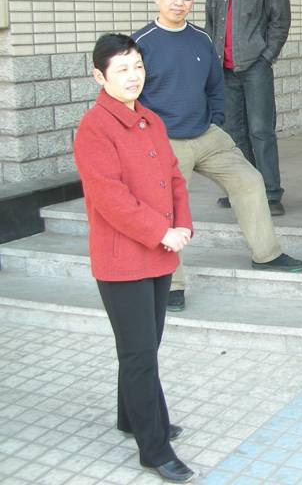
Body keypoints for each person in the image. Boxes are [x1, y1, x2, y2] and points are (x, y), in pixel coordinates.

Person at [134, 0, 302, 312]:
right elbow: (129, 96)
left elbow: (215, 85)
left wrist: (216, 119)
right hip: (165, 141)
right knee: (167, 206)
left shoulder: (201, 39)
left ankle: (266, 254)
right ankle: (172, 283)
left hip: (206, 134)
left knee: (249, 180)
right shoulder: (141, 43)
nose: (179, 1)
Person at [73, 33, 194, 482]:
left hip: (159, 253)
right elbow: (110, 198)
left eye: (138, 66)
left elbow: (174, 178)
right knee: (140, 352)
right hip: (122, 260)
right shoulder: (94, 128)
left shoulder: (150, 120)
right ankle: (154, 448)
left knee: (145, 346)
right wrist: (161, 231)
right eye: (122, 69)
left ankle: (130, 418)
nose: (133, 76)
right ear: (99, 76)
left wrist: (182, 224)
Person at [206, 0, 291, 216]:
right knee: (234, 132)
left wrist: (266, 57)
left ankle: (270, 194)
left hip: (255, 66)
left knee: (261, 130)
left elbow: (280, 21)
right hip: (224, 70)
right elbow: (211, 25)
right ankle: (243, 189)